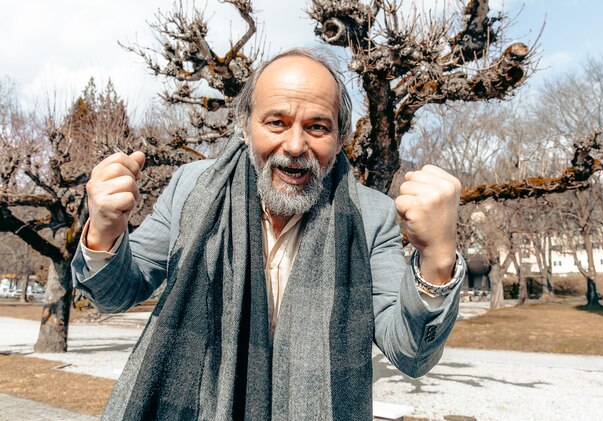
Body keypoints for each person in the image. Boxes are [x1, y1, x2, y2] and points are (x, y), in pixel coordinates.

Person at [72, 48, 466, 420]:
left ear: (340, 137)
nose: (295, 146)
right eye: (276, 122)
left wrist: (437, 259)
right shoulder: (192, 187)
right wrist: (105, 231)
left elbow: (411, 353)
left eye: (317, 127)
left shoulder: (371, 215)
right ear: (246, 127)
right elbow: (115, 293)